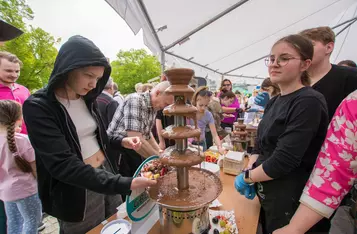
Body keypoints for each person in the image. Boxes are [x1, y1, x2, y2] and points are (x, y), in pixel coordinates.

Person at [22, 35, 156, 234]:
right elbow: (62, 164)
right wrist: (125, 183)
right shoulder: (39, 106)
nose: (94, 84)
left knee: (115, 224)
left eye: (98, 78)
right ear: (68, 68)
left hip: (106, 171)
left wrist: (121, 141)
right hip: (76, 188)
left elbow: (93, 136)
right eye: (88, 75)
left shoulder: (87, 98)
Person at [235, 34, 329, 233]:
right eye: (272, 58)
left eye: (284, 58)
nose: (274, 64)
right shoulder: (274, 101)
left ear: (305, 64)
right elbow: (259, 144)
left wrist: (249, 177)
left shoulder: (308, 101)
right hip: (270, 191)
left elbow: (284, 160)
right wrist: (251, 167)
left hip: (292, 200)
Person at [273, 89, 357, 233]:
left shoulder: (311, 101)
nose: (274, 65)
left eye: (281, 63)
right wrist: (295, 228)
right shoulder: (353, 103)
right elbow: (334, 168)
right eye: (272, 63)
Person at [108, 81, 174, 176]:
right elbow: (135, 137)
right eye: (166, 103)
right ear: (157, 93)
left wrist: (159, 152)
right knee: (127, 185)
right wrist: (159, 158)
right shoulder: (135, 100)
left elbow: (147, 134)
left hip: (130, 150)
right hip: (118, 152)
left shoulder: (153, 106)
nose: (165, 108)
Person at [0, 100, 42, 234]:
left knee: (13, 222)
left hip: (6, 192)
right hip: (27, 190)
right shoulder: (22, 140)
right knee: (32, 220)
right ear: (19, 118)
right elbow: (35, 167)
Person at [299, 26, 357, 121]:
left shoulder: (351, 77)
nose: (303, 50)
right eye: (300, 47)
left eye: (310, 45)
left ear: (329, 47)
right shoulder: (293, 81)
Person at [0, 52, 30, 134]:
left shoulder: (24, 90)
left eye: (17, 71)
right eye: (9, 71)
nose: (14, 75)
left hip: (27, 142)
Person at [189, 86, 224, 153]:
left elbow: (215, 134)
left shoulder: (208, 115)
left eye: (206, 105)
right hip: (190, 143)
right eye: (200, 105)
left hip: (202, 143)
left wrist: (219, 147)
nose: (203, 108)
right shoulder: (190, 113)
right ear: (195, 102)